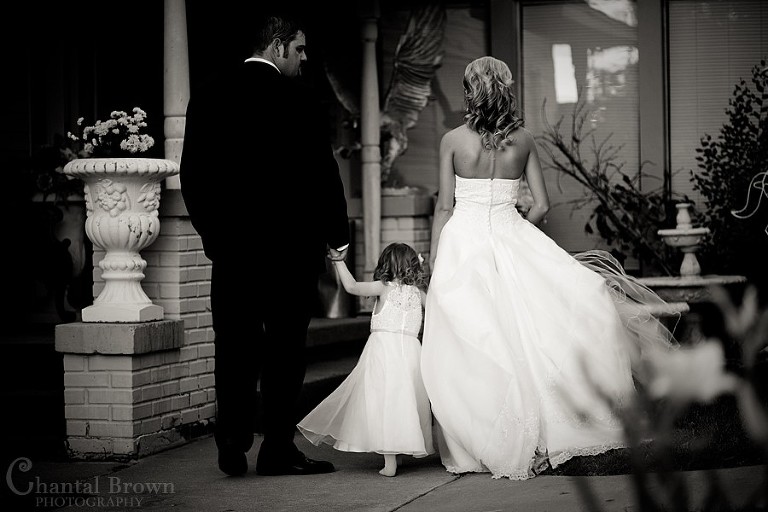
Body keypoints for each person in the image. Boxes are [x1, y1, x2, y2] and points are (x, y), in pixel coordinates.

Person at [421, 56, 677, 480]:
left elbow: (445, 207)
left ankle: (486, 435)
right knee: (534, 330)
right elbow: (541, 205)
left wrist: (433, 260)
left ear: (470, 92)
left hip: (463, 244)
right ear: (505, 89)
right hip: (512, 236)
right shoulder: (522, 141)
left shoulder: (451, 140)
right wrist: (514, 229)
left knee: (476, 338)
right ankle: (554, 422)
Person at [179, 12, 350, 477]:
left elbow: (192, 176)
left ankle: (231, 445)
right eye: (299, 49)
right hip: (289, 255)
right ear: (277, 46)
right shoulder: (300, 99)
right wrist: (339, 236)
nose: (304, 58)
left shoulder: (209, 93)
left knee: (233, 349)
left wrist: (215, 238)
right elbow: (323, 176)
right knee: (284, 354)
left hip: (232, 254)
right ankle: (276, 448)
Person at [297, 243, 434, 477]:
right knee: (405, 403)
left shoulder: (383, 287)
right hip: (412, 353)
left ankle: (390, 463)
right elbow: (438, 310)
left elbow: (350, 286)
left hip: (383, 353)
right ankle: (399, 455)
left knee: (384, 404)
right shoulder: (419, 295)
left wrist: (338, 262)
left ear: (385, 265)